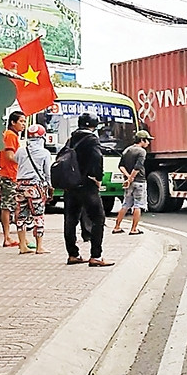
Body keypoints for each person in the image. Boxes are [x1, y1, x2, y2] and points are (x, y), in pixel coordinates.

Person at [63, 112, 114, 267]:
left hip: (71, 185)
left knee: (71, 219)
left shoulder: (71, 139)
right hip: (87, 184)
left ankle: (73, 254)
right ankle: (96, 256)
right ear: (94, 125)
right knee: (98, 218)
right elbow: (97, 158)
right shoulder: (92, 139)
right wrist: (97, 178)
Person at [14, 124, 52, 254]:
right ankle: (39, 247)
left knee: (21, 216)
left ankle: (22, 246)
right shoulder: (44, 153)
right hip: (36, 186)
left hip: (20, 186)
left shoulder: (20, 151)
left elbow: (15, 161)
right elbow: (47, 173)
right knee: (38, 216)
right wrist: (49, 186)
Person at [112, 130, 154, 235]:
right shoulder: (141, 152)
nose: (148, 143)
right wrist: (131, 178)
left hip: (129, 183)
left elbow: (120, 166)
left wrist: (127, 177)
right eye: (147, 140)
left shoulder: (127, 150)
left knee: (125, 204)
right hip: (139, 181)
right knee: (138, 205)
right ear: (142, 140)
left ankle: (117, 227)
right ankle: (134, 229)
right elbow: (138, 167)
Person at [0, 111, 27, 248]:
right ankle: (7, 237)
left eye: (24, 121)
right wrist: (23, 160)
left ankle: (16, 236)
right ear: (13, 123)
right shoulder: (10, 135)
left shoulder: (12, 135)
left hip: (13, 174)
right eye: (21, 121)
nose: (24, 124)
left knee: (15, 207)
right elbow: (10, 156)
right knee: (8, 207)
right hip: (8, 174)